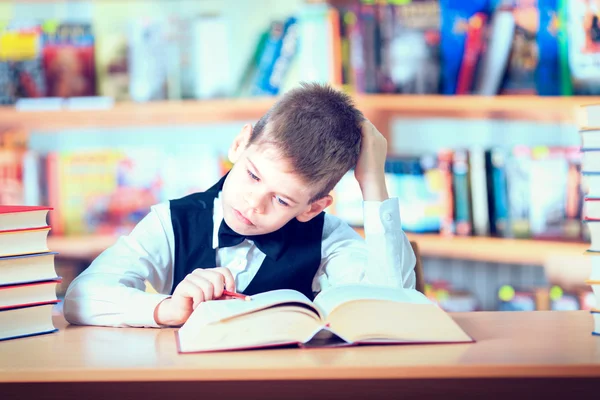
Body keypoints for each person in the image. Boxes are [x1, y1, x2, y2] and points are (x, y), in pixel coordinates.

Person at [63, 82, 416, 328]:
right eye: (252, 175)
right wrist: (164, 309)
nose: (253, 203)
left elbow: (392, 310)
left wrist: (373, 184)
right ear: (239, 145)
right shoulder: (172, 222)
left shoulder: (327, 237)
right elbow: (81, 297)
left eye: (281, 199)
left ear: (313, 207)